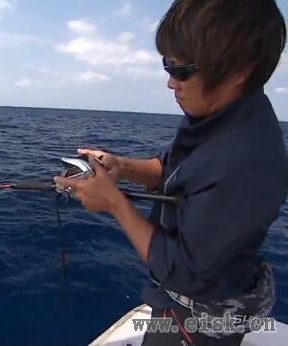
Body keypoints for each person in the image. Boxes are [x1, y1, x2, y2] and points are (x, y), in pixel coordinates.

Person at [54, 0, 288, 345]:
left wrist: (115, 203)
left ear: (239, 70)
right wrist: (123, 167)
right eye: (167, 65)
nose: (170, 83)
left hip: (198, 326)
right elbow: (173, 166)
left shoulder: (246, 160)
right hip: (177, 308)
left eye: (181, 70)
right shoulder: (219, 113)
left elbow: (183, 272)